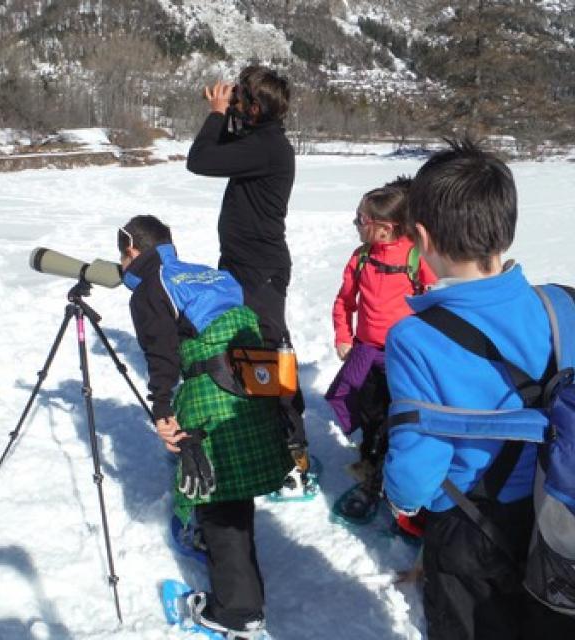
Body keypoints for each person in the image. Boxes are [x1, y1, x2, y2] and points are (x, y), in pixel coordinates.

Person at [383, 139, 575, 639]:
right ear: (505, 231)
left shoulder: (414, 337)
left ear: (422, 237)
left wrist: (401, 500)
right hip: (558, 516)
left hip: (473, 528)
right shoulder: (564, 305)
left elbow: (416, 466)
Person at [118, 215, 292, 637]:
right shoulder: (210, 274)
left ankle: (238, 612)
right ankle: (238, 584)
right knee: (231, 482)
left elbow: (161, 354)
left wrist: (161, 410)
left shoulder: (152, 286)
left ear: (130, 250)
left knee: (218, 495)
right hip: (251, 381)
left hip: (213, 387)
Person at [187, 65, 308, 488]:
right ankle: (265, 428)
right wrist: (226, 115)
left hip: (260, 269)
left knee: (272, 354)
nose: (232, 103)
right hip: (243, 264)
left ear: (255, 109)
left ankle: (295, 450)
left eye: (240, 100)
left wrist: (218, 114)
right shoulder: (259, 139)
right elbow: (222, 149)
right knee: (249, 350)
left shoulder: (269, 147)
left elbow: (200, 160)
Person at [325, 179, 436, 522]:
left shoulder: (417, 258)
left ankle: (391, 486)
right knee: (366, 411)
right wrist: (343, 336)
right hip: (364, 352)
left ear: (385, 228)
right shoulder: (360, 258)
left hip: (403, 359)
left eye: (361, 219)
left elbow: (435, 307)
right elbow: (344, 302)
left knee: (400, 420)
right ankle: (371, 465)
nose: (356, 224)